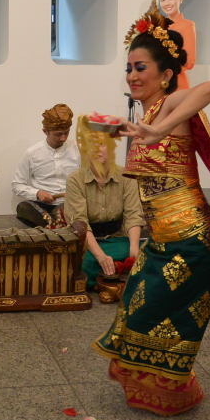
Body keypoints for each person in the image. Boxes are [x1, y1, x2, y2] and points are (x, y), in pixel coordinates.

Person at [92, 7, 210, 416]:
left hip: (190, 238)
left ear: (165, 74)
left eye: (140, 67)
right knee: (136, 312)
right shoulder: (145, 114)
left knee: (165, 318)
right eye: (128, 67)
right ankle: (161, 392)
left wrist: (163, 127)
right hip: (162, 239)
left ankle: (172, 393)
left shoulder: (169, 106)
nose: (131, 75)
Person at [65, 122, 143, 296]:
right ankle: (117, 280)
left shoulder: (127, 177)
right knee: (86, 263)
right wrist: (100, 255)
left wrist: (134, 249)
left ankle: (109, 280)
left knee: (148, 253)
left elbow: (133, 214)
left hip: (118, 239)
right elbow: (80, 222)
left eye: (102, 145)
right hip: (88, 243)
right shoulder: (75, 180)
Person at [12, 103, 79, 228]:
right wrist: (37, 193)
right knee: (23, 207)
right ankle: (57, 223)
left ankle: (54, 224)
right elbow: (17, 185)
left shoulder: (78, 150)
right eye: (58, 134)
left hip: (69, 203)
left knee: (69, 208)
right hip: (42, 206)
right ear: (45, 132)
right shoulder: (32, 153)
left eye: (66, 133)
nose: (63, 138)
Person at [157, 0, 196, 90]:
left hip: (177, 85)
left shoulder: (187, 25)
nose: (167, 3)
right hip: (156, 85)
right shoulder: (157, 26)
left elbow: (189, 62)